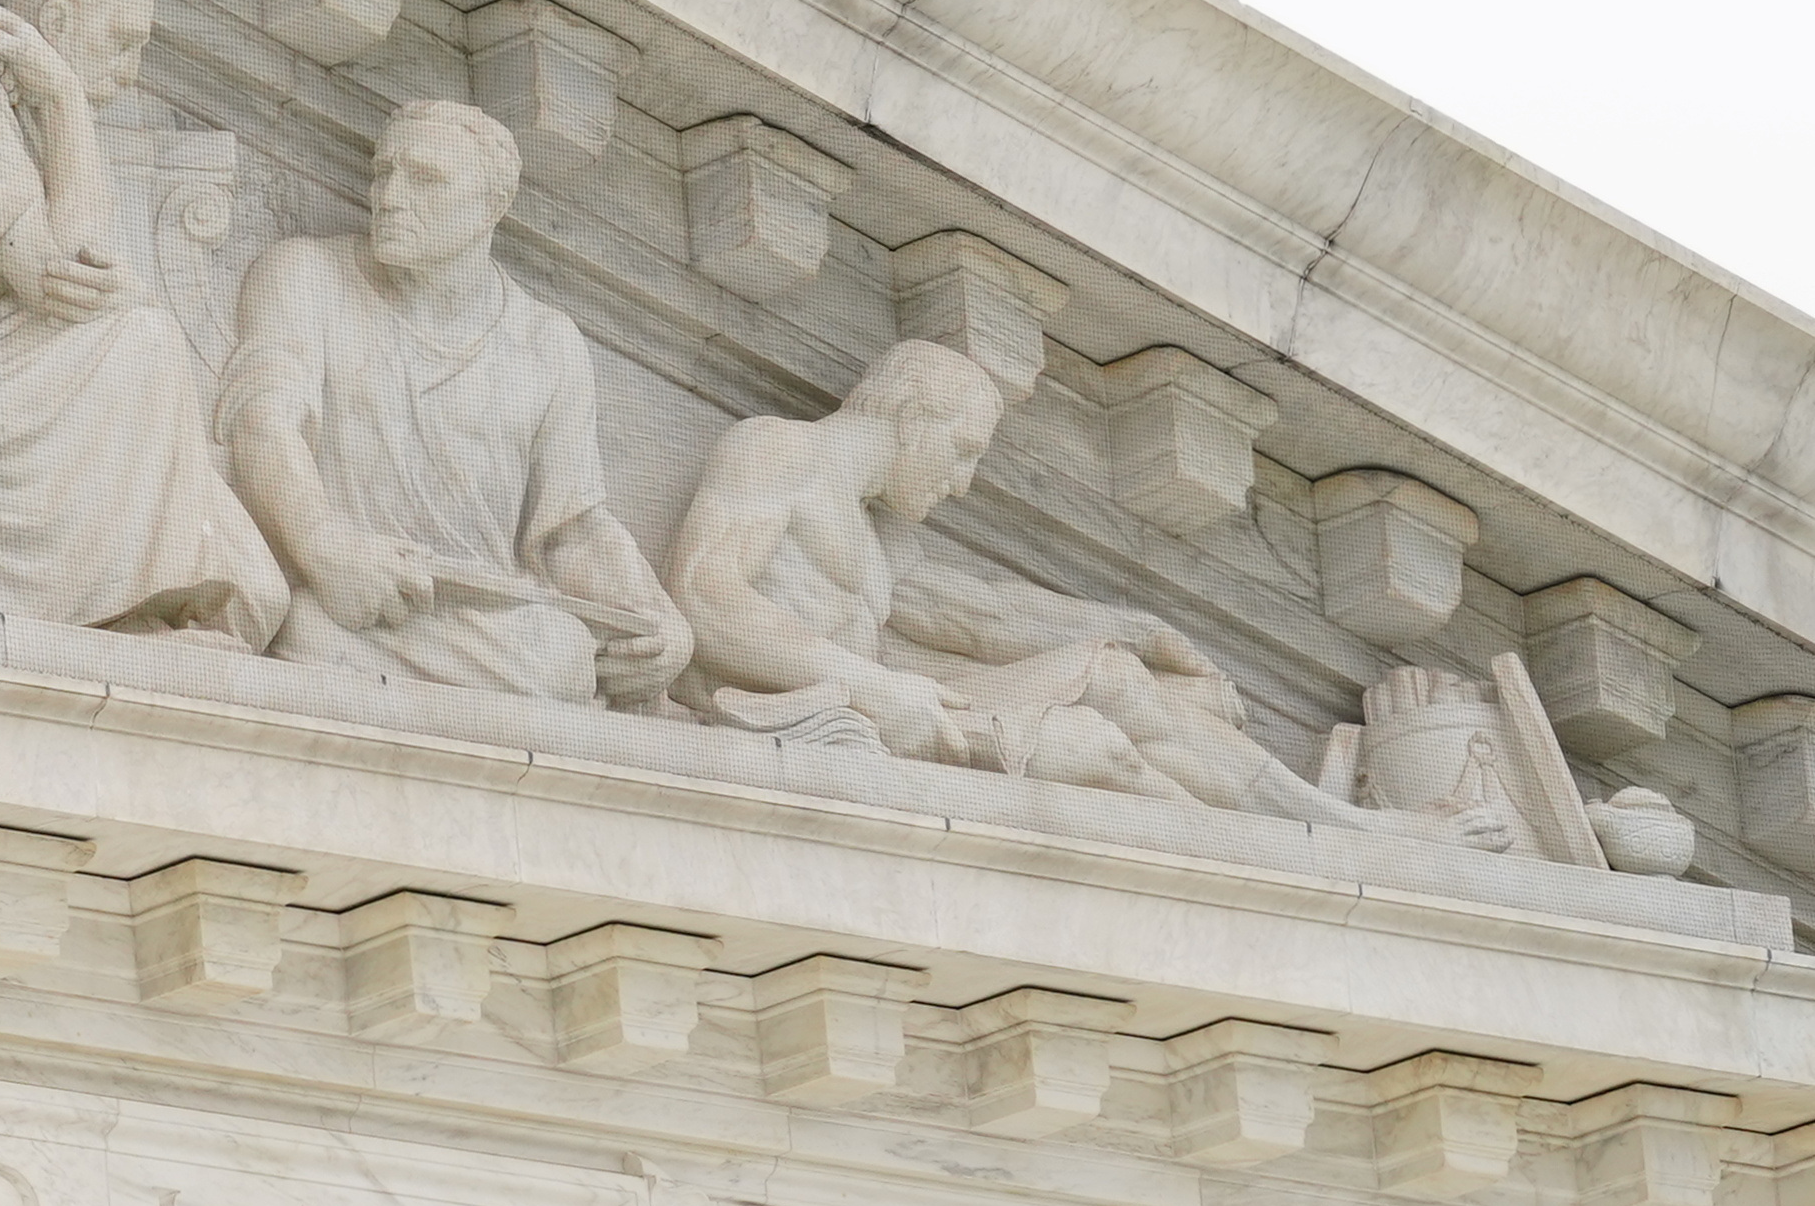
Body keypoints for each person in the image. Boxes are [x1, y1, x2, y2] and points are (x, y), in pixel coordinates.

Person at [670, 337, 1452, 826]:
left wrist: (1139, 630)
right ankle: (1281, 861)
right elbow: (708, 596)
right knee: (1095, 751)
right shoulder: (777, 450)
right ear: (912, 414)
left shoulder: (875, 538)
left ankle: (1333, 831)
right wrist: (872, 688)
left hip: (892, 713)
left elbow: (983, 616)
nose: (964, 482)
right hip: (809, 716)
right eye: (964, 449)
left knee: (1111, 675)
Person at [0, 0, 277, 631]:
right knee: (145, 340)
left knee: (260, 592)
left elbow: (87, 278)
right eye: (121, 44)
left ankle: (121, 596)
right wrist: (65, 99)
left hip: (22, 382)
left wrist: (60, 109)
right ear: (53, 25)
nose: (131, 73)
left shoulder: (32, 113)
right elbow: (64, 277)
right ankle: (111, 608)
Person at [222, 100, 683, 704]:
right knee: (299, 625)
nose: (388, 197)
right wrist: (320, 542)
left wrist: (658, 618)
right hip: (347, 599)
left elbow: (572, 528)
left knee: (565, 659)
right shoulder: (306, 274)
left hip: (489, 623)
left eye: (426, 179)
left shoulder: (546, 344)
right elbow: (262, 421)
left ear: (494, 205)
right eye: (383, 172)